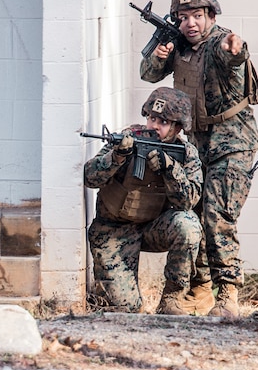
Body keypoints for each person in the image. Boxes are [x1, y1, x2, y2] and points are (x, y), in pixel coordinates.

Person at [139, 0, 258, 318]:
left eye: (197, 16)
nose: (190, 23)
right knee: (194, 213)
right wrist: (158, 56)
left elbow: (234, 55)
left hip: (231, 142)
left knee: (218, 215)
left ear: (210, 15)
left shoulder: (220, 41)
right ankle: (200, 289)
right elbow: (148, 75)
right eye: (183, 17)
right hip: (194, 145)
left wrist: (236, 49)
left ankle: (228, 294)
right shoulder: (177, 45)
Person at [84, 87, 203, 315]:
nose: (155, 126)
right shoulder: (128, 139)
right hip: (113, 230)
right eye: (152, 118)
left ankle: (172, 300)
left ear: (178, 127)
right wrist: (117, 156)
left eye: (164, 122)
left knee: (188, 225)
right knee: (123, 310)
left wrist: (171, 169)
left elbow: (188, 201)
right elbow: (89, 178)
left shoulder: (185, 153)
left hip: (153, 228)